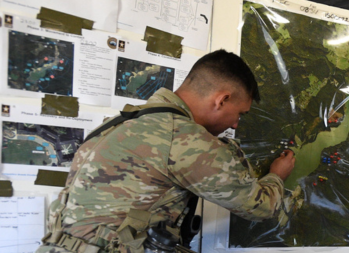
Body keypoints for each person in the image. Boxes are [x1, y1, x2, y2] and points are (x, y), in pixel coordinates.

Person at [38, 50, 296, 252]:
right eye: (239, 114)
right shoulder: (184, 139)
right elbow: (260, 207)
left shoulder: (116, 124)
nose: (235, 124)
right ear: (222, 99)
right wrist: (276, 175)